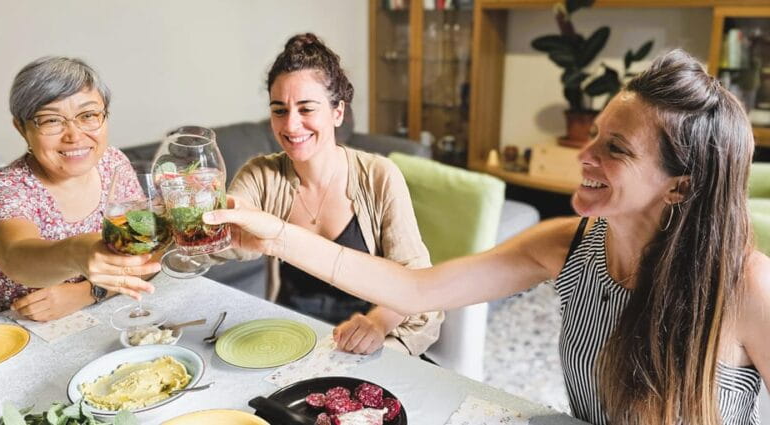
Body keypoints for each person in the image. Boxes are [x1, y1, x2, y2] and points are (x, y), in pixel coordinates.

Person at [206, 49, 768, 425]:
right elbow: (416, 290)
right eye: (595, 134)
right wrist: (276, 235)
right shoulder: (567, 245)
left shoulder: (746, 287)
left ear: (679, 186)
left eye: (615, 148)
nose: (585, 155)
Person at [225, 33, 443, 356]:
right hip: (294, 340)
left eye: (306, 109)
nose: (291, 125)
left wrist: (377, 324)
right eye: (279, 110)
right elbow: (226, 224)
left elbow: (414, 279)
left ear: (337, 112)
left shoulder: (379, 176)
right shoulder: (261, 175)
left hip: (371, 341)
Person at [0, 56, 159, 322]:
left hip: (92, 316)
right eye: (51, 121)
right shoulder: (3, 188)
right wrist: (76, 251)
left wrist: (88, 293)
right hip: (4, 329)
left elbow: (146, 257)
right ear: (21, 128)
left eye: (88, 115)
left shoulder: (113, 163)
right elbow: (16, 256)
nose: (74, 135)